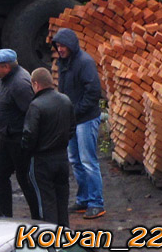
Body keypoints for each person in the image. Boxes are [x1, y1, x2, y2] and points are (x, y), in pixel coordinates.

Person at [53, 27, 106, 219]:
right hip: (72, 121)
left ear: (71, 45)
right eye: (58, 46)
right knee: (75, 160)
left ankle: (96, 203)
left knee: (88, 161)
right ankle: (83, 199)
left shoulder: (85, 62)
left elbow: (93, 92)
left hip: (85, 119)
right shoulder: (63, 62)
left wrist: (74, 112)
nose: (60, 49)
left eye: (62, 46)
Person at [0, 48, 41, 220]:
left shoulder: (20, 84)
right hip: (7, 138)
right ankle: (4, 218)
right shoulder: (6, 78)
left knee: (25, 179)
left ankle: (39, 218)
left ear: (7, 66)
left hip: (18, 139)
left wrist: (27, 140)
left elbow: (32, 113)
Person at [22, 67, 75, 226]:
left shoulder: (36, 106)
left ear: (36, 84)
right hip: (62, 158)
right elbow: (72, 128)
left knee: (46, 204)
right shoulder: (65, 100)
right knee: (62, 202)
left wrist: (27, 150)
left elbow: (29, 135)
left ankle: (50, 242)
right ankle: (64, 240)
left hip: (42, 161)